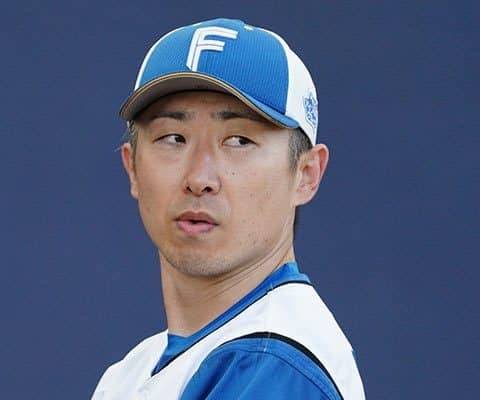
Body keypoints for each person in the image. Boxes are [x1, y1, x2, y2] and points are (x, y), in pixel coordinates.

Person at [91, 18, 366, 400]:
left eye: (238, 140)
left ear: (305, 174)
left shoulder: (274, 363)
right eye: (173, 138)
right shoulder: (129, 374)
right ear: (132, 167)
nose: (199, 178)